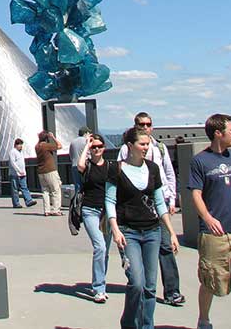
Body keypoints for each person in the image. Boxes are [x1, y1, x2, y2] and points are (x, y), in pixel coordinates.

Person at [106, 125, 179, 329]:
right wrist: (115, 229)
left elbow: (159, 203)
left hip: (152, 231)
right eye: (142, 144)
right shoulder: (117, 169)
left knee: (150, 285)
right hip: (128, 232)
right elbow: (109, 200)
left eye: (148, 144)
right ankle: (129, 323)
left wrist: (171, 232)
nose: (146, 147)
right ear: (130, 145)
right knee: (136, 282)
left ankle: (147, 325)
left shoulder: (152, 169)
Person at [118, 111, 185, 306]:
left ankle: (172, 291)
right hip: (137, 208)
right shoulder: (126, 149)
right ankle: (141, 286)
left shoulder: (160, 148)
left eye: (148, 124)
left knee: (166, 247)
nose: (145, 127)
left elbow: (168, 174)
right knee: (145, 252)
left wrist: (171, 198)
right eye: (141, 124)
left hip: (159, 203)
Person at [188, 112, 231, 329]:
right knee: (211, 281)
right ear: (218, 133)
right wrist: (208, 218)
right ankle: (204, 320)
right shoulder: (200, 161)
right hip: (214, 235)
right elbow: (195, 193)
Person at [77, 132, 112, 303]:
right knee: (100, 247)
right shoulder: (88, 165)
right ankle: (98, 288)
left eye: (99, 146)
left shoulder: (111, 167)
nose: (97, 149)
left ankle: (100, 284)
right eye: (94, 147)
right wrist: (86, 146)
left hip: (107, 213)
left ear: (104, 148)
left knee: (105, 251)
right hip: (90, 210)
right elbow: (79, 165)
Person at [35, 130, 63, 216]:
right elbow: (60, 146)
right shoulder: (46, 146)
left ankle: (46, 210)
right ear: (46, 138)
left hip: (41, 171)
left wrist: (40, 137)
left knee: (45, 191)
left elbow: (39, 142)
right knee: (56, 190)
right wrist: (53, 137)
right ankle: (55, 209)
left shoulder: (37, 146)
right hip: (50, 170)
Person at [9, 138, 37, 208]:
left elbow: (22, 163)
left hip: (22, 173)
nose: (21, 146)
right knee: (15, 189)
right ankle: (16, 203)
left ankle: (29, 200)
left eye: (21, 145)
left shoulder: (21, 152)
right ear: (15, 145)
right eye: (19, 145)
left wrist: (23, 171)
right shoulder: (12, 152)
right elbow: (13, 163)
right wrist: (18, 170)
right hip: (14, 174)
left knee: (24, 187)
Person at [69, 126, 91, 193]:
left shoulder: (73, 142)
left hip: (74, 165)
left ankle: (77, 201)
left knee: (78, 186)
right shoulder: (86, 141)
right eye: (88, 133)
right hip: (84, 166)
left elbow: (71, 155)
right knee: (87, 185)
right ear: (86, 133)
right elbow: (89, 155)